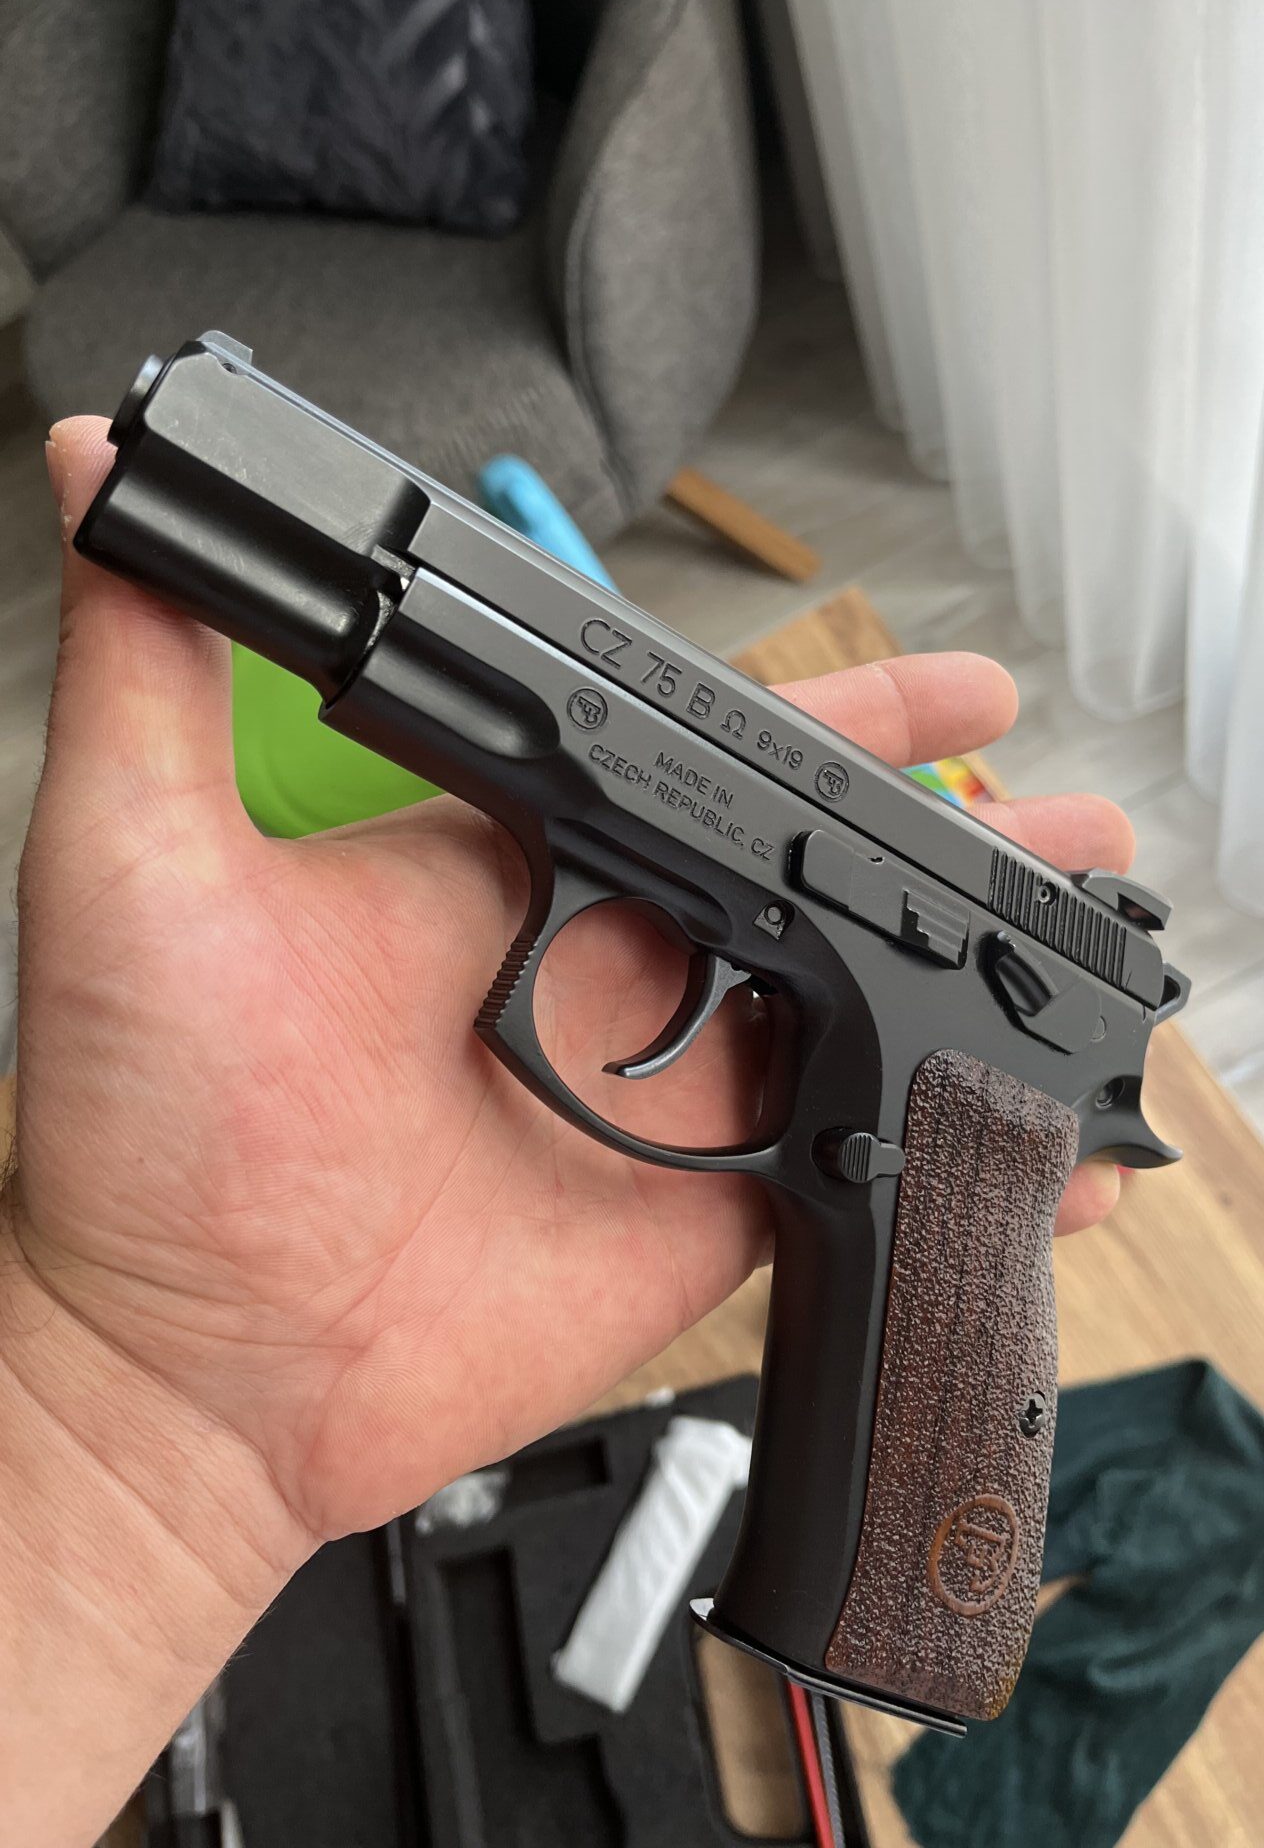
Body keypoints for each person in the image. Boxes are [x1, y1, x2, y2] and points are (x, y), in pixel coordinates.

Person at [0, 418, 1136, 1846]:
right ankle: (909, 1626)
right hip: (980, 994)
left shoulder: (967, 1068)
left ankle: (909, 1625)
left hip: (982, 1026)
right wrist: (114, 1400)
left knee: (918, 1529)